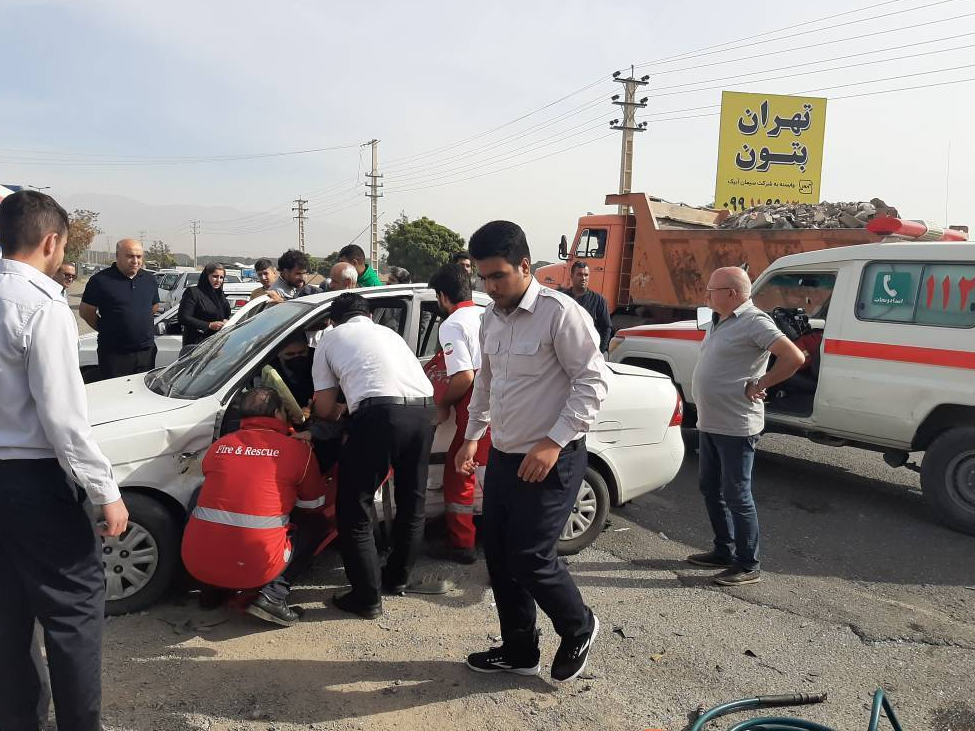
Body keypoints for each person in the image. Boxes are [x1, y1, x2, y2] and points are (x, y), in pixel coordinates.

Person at [455, 220, 607, 683]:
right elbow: (486, 383)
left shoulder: (560, 313)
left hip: (551, 458)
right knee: (499, 556)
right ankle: (520, 649)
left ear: (525, 265)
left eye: (498, 275)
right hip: (504, 454)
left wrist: (553, 441)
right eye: (482, 277)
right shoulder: (489, 318)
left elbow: (593, 382)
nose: (490, 286)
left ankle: (579, 626)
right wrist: (471, 437)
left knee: (531, 557)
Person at [0, 190, 129, 731]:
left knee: (7, 616)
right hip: (33, 479)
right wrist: (106, 491)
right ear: (52, 242)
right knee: (72, 612)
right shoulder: (41, 302)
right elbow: (63, 417)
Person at [312, 293, 435, 618]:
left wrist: (341, 407)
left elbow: (323, 409)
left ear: (333, 320)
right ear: (368, 314)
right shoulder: (389, 334)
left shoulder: (331, 337)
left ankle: (366, 598)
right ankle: (396, 579)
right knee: (413, 501)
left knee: (355, 506)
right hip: (424, 412)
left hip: (380, 415)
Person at [687, 266, 804, 586]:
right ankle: (723, 550)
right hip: (711, 422)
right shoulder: (720, 319)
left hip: (736, 426)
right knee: (710, 488)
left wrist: (763, 382)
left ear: (732, 293)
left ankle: (747, 563)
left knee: (736, 495)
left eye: (712, 290)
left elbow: (794, 357)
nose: (706, 295)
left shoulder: (754, 321)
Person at [181, 387, 331, 627]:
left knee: (202, 495)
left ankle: (212, 589)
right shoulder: (297, 451)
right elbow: (313, 505)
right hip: (256, 566)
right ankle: (274, 595)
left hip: (196, 563)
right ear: (277, 413)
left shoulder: (219, 446)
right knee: (318, 523)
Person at [427, 263, 490, 564]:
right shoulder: (487, 314)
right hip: (503, 406)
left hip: (476, 410)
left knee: (460, 474)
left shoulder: (452, 325)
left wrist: (442, 404)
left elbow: (463, 376)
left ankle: (463, 544)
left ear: (442, 296)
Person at [80, 238, 160, 379]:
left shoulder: (149, 279)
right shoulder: (100, 281)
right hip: (114, 354)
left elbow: (153, 307)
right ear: (117, 256)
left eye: (139, 256)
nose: (135, 261)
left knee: (142, 395)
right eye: (130, 256)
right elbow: (86, 312)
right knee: (116, 396)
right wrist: (108, 328)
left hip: (146, 352)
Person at [178, 263, 232, 350]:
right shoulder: (193, 292)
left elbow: (225, 314)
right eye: (215, 276)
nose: (218, 280)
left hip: (217, 344)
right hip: (197, 344)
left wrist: (226, 321)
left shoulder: (220, 295)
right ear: (206, 276)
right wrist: (208, 325)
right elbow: (183, 317)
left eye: (221, 277)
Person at [564, 261, 612, 352]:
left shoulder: (598, 300)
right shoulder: (563, 297)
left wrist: (599, 351)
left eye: (586, 275)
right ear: (571, 277)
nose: (583, 278)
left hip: (587, 353)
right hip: (564, 350)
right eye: (579, 274)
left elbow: (606, 327)